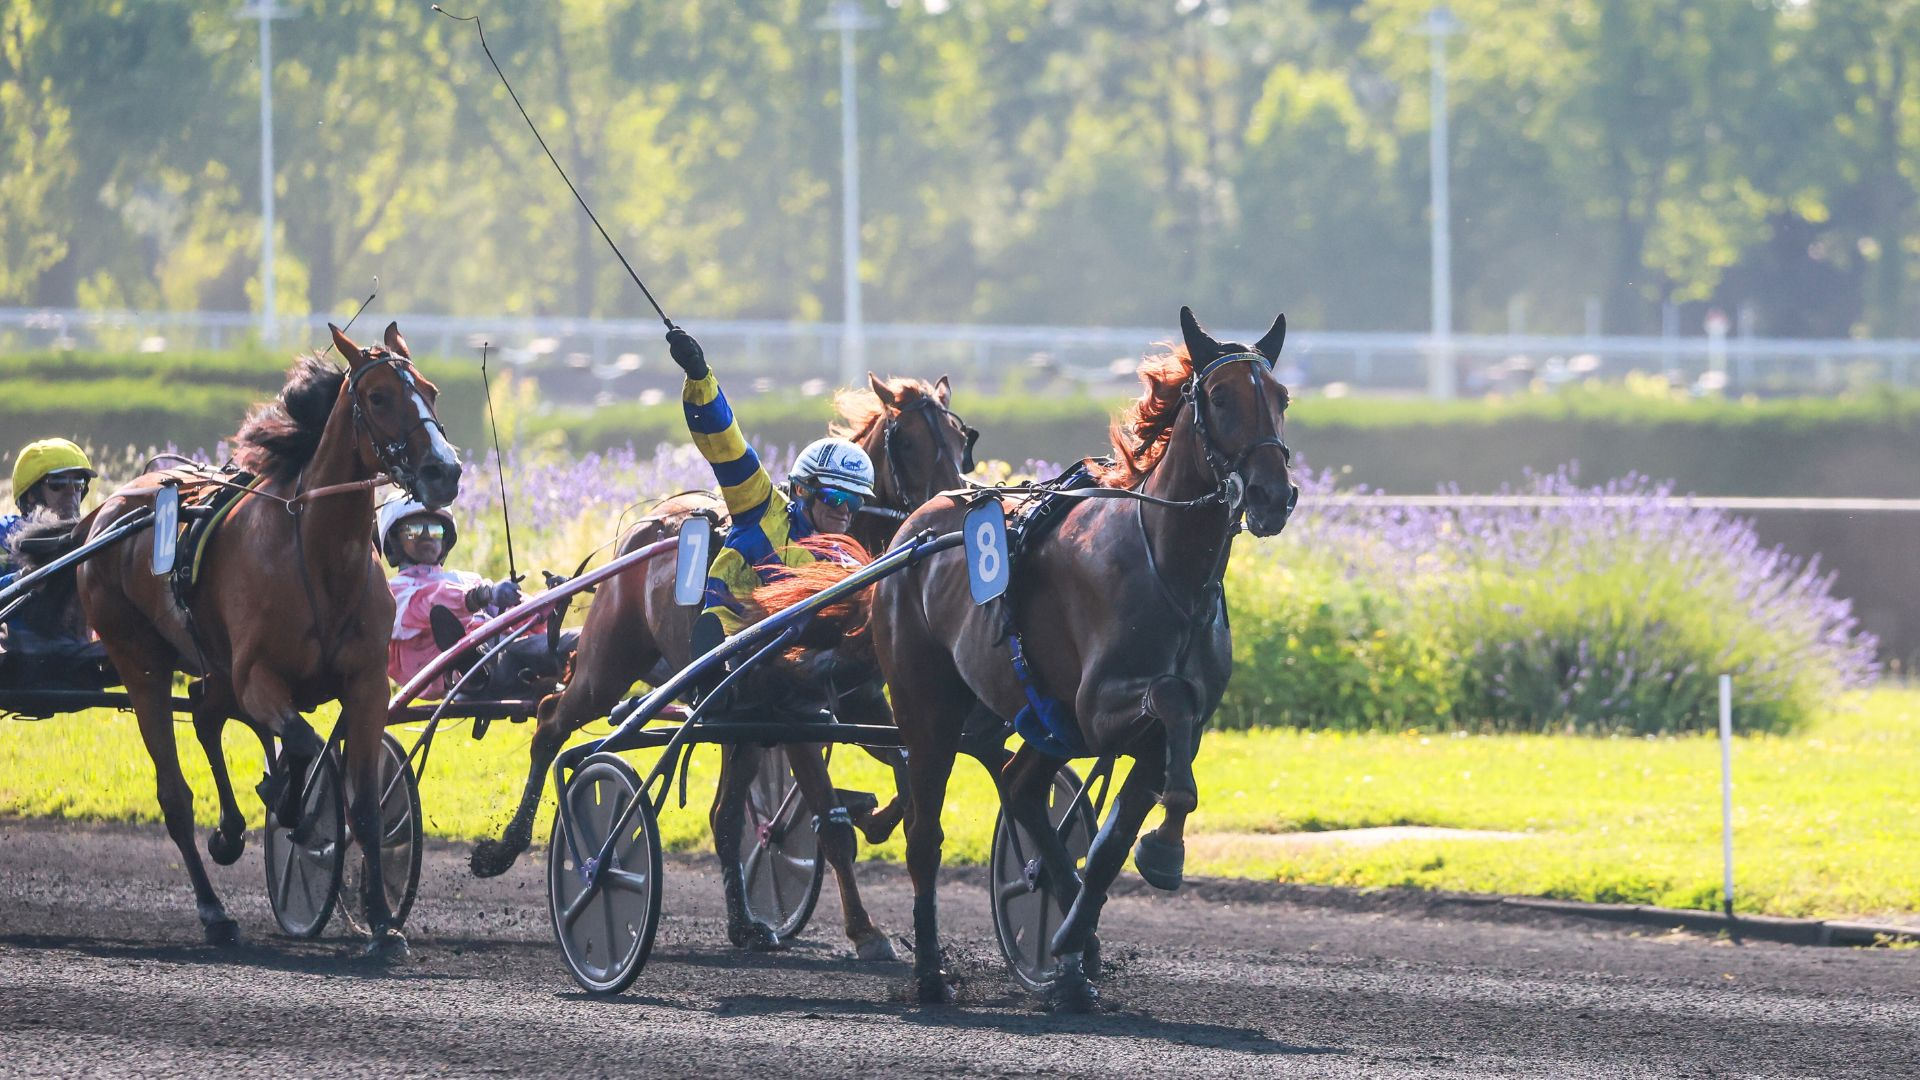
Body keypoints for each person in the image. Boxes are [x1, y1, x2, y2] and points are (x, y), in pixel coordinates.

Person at [668, 326, 876, 670]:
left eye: (855, 503)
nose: (845, 511)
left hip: (806, 668)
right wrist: (700, 377)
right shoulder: (760, 508)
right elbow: (727, 445)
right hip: (735, 654)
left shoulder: (848, 564)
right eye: (836, 496)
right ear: (801, 490)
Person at [379, 495, 572, 700]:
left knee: (580, 641)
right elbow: (427, 604)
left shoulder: (465, 579)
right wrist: (478, 597)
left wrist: (551, 598)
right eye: (414, 530)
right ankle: (469, 670)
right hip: (447, 671)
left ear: (445, 539)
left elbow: (519, 618)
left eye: (435, 530)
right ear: (394, 540)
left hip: (505, 651)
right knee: (450, 623)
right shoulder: (392, 592)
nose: (427, 537)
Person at [0, 438, 96, 586]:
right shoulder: (4, 534)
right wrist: (18, 579)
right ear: (31, 495)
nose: (71, 491)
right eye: (58, 484)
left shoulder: (93, 536)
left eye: (78, 484)